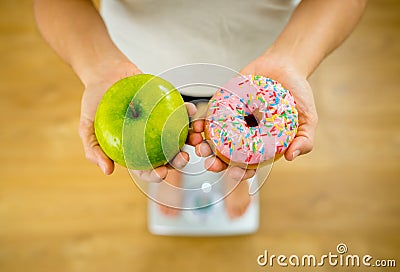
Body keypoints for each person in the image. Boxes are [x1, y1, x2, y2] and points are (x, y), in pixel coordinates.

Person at [34, 0, 367, 218]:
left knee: (239, 150)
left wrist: (292, 59)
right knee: (169, 143)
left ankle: (231, 180)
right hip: (138, 72)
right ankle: (175, 171)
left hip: (261, 69)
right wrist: (97, 66)